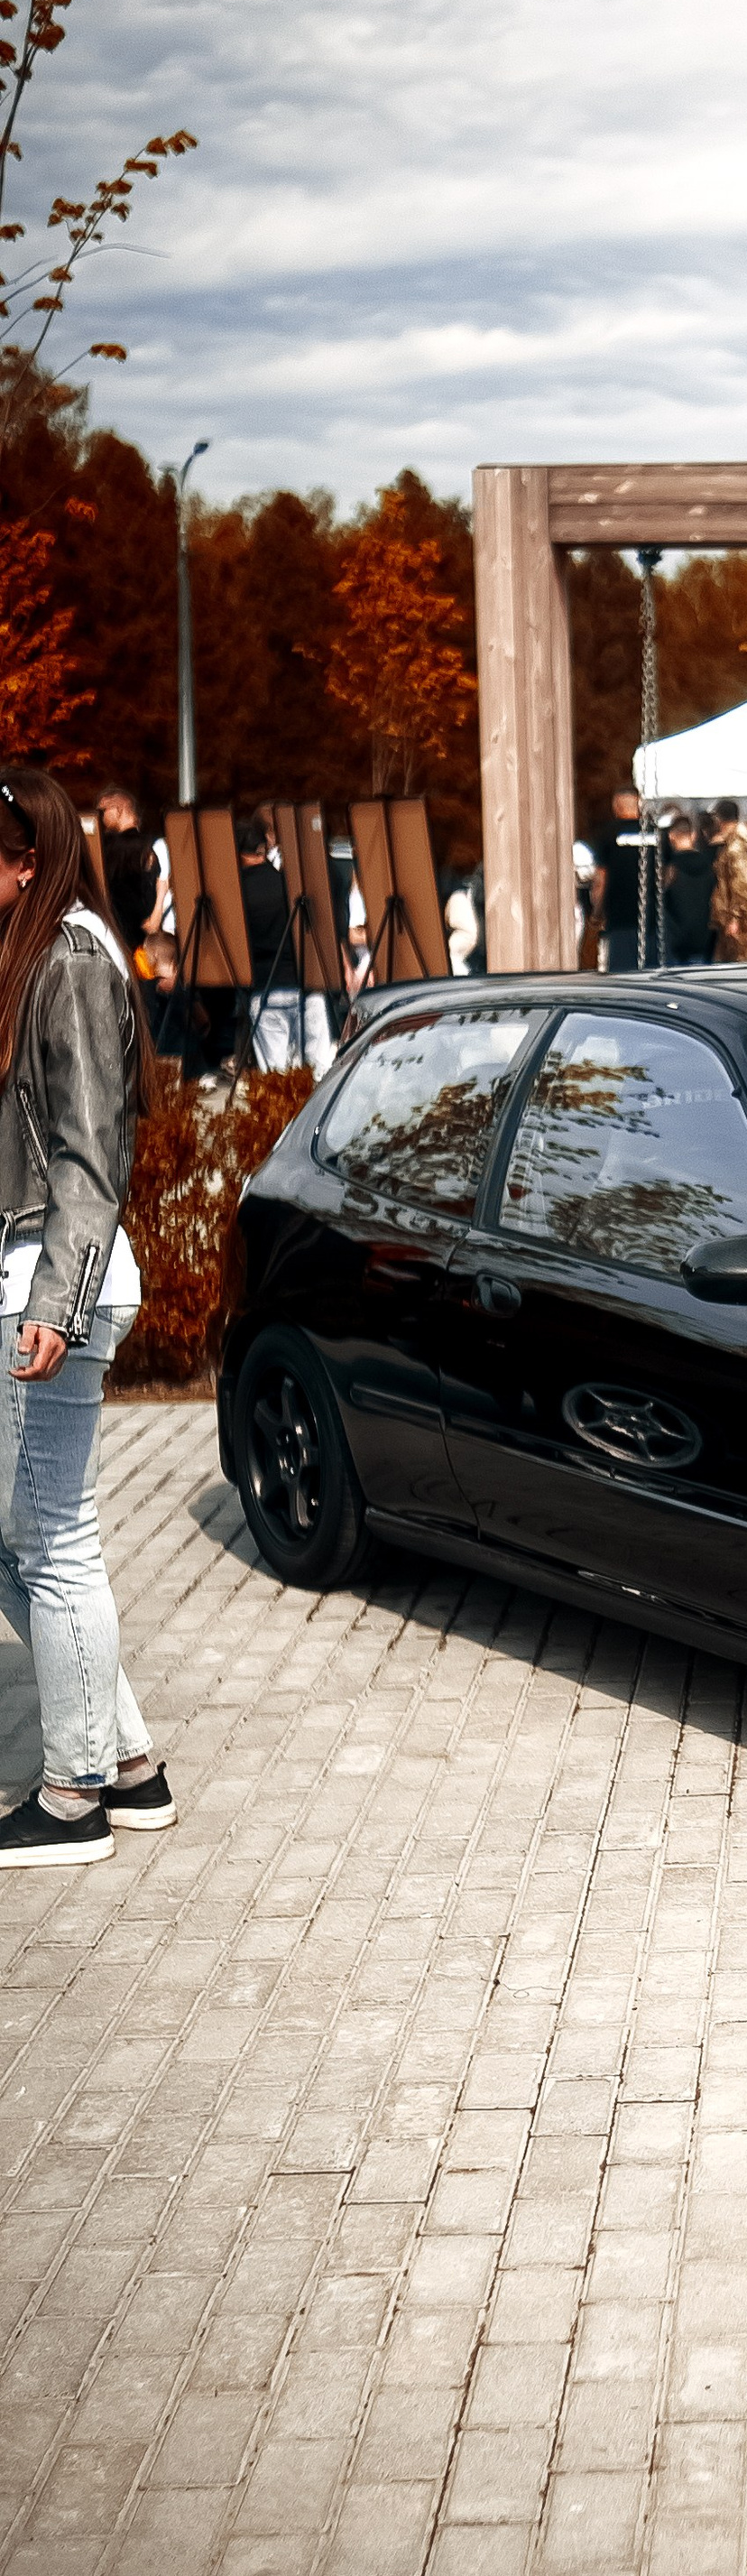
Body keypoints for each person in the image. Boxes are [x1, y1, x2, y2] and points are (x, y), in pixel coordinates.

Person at [0, 766, 176, 1863]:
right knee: (28, 1535)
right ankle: (129, 1766)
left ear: (27, 859)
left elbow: (89, 1152)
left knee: (54, 1538)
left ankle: (75, 1797)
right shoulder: (38, 951)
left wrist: (55, 1302)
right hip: (37, 1279)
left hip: (59, 1285)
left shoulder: (67, 959)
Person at [235, 815, 303, 1070]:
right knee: (303, 1072)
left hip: (263, 986)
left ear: (239, 853)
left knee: (275, 1075)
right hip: (299, 982)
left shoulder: (239, 893)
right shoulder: (287, 885)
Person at [588, 783, 648, 972]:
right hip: (653, 922)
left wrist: (597, 913)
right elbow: (669, 875)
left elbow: (601, 880)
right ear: (639, 804)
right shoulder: (655, 833)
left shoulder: (607, 835)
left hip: (620, 920)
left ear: (616, 806)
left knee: (624, 977)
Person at [95, 790, 158, 955]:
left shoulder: (111, 848)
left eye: (103, 811)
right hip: (144, 933)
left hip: (119, 930)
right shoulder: (149, 844)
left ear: (119, 809)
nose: (101, 817)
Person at [708, 797, 747, 960]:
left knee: (742, 963)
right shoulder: (742, 840)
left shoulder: (737, 847)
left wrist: (735, 918)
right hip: (744, 916)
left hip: (742, 920)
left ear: (719, 819)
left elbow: (741, 883)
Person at [660, 811, 717, 964]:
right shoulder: (710, 867)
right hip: (705, 938)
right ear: (693, 836)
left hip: (675, 942)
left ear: (671, 836)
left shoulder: (670, 870)